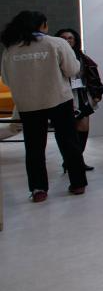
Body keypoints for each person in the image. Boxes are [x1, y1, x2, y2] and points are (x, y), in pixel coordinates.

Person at [1, 11, 88, 201]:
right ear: (42, 25)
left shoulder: (11, 49)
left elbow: (6, 79)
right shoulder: (56, 43)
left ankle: (38, 189)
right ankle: (78, 183)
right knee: (69, 142)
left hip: (28, 104)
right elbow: (72, 70)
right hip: (58, 99)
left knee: (34, 147)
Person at [56, 28, 103, 171]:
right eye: (63, 38)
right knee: (67, 131)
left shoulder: (82, 57)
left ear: (75, 40)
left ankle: (76, 160)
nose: (67, 41)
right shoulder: (54, 56)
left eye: (70, 38)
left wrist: (97, 93)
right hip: (62, 96)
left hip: (81, 95)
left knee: (83, 127)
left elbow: (93, 75)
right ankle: (70, 160)